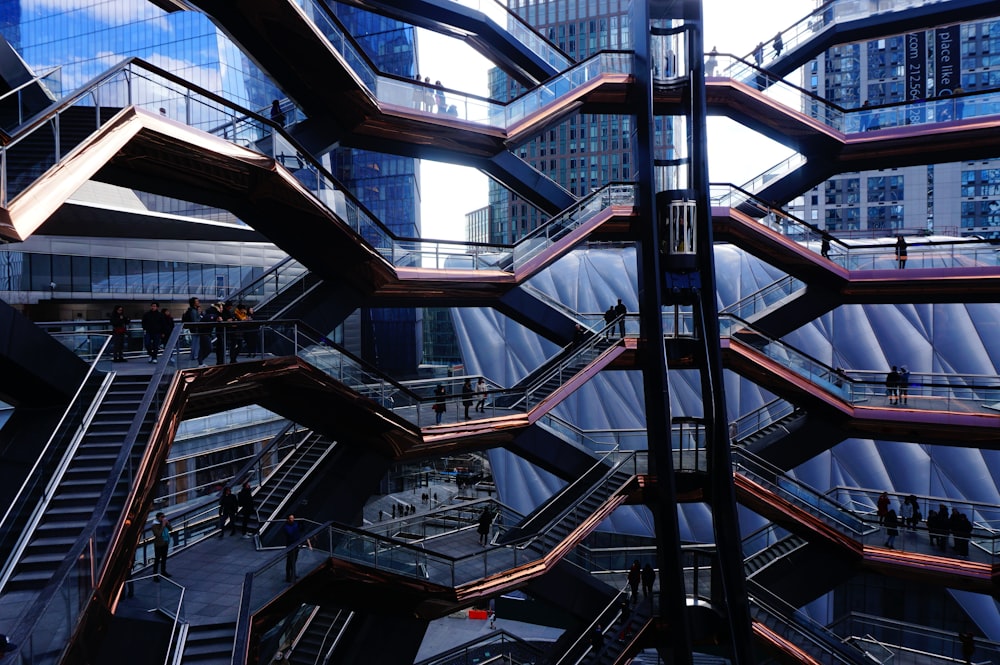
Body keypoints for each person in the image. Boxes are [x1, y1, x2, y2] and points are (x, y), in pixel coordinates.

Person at [198, 301, 224, 366]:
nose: (222, 309)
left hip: (206, 332)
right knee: (208, 348)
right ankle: (200, 361)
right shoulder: (213, 314)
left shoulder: (212, 313)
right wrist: (217, 319)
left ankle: (200, 362)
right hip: (205, 332)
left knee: (203, 348)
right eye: (221, 308)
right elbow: (210, 319)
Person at [151, 512, 171, 578]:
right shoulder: (154, 525)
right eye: (161, 517)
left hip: (165, 543)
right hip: (159, 545)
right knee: (157, 560)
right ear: (158, 518)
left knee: (164, 559)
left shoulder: (164, 523)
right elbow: (158, 534)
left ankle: (163, 572)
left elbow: (171, 529)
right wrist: (162, 525)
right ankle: (155, 575)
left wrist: (167, 524)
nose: (163, 518)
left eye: (164, 516)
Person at [182, 297, 201, 363]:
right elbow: (195, 320)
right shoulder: (193, 311)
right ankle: (195, 355)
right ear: (194, 303)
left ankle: (193, 355)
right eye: (197, 301)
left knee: (195, 341)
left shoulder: (192, 310)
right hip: (196, 328)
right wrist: (200, 316)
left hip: (193, 328)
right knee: (195, 342)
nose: (198, 302)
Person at [282, 514, 301, 582]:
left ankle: (293, 573)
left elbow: (298, 532)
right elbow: (290, 534)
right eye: (291, 518)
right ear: (288, 519)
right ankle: (288, 576)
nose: (292, 519)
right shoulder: (286, 527)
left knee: (294, 560)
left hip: (296, 544)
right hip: (290, 545)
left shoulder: (295, 525)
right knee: (289, 561)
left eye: (293, 518)